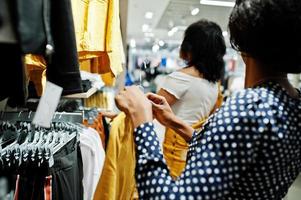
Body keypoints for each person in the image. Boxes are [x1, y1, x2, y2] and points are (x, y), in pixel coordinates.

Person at [115, 0, 301, 199]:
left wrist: (142, 122)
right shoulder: (294, 103)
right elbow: (230, 153)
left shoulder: (250, 108)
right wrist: (173, 121)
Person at [158, 20, 225, 178]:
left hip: (174, 152)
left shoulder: (180, 78)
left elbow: (150, 110)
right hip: (197, 151)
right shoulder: (215, 83)